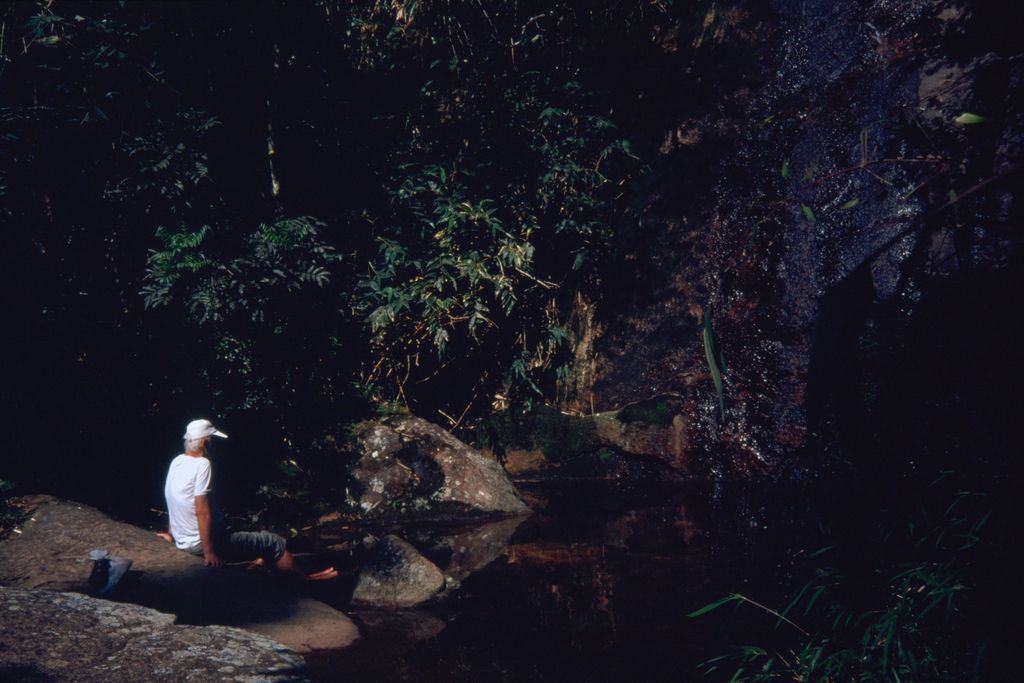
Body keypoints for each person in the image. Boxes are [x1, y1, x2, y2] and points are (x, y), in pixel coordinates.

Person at [161, 418, 337, 581]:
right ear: (205, 442)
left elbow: (172, 497)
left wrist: (173, 534)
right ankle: (304, 581)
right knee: (272, 542)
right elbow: (202, 511)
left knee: (246, 533)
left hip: (184, 539)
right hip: (202, 543)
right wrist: (209, 552)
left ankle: (272, 573)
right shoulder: (202, 464)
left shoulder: (177, 462)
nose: (215, 446)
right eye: (212, 440)